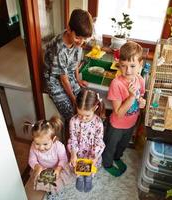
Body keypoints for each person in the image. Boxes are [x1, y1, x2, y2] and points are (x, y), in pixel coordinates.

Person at [102, 41, 146, 177]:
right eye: (123, 66)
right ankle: (107, 163)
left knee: (122, 145)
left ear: (141, 65)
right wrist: (132, 97)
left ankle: (117, 157)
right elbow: (119, 113)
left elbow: (141, 97)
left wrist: (141, 102)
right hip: (116, 125)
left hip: (131, 123)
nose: (128, 71)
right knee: (110, 146)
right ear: (119, 64)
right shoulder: (116, 84)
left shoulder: (140, 80)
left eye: (132, 66)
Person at [44, 9, 93, 121]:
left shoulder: (77, 41)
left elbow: (75, 62)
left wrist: (77, 79)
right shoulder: (59, 49)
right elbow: (63, 79)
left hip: (68, 75)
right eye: (78, 37)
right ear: (69, 29)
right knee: (72, 114)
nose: (81, 42)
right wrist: (72, 99)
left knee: (83, 104)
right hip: (54, 81)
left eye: (84, 38)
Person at [67, 89, 106, 192]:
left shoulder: (98, 122)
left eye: (87, 115)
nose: (83, 118)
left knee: (90, 169)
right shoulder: (73, 121)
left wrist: (95, 157)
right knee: (77, 168)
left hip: (92, 152)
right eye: (80, 114)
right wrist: (73, 154)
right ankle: (79, 177)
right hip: (78, 151)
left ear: (95, 108)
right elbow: (73, 139)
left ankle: (89, 178)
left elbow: (98, 141)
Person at [26, 117, 74, 200]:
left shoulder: (59, 146)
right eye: (37, 143)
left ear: (53, 139)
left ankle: (58, 191)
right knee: (45, 183)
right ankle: (49, 191)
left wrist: (58, 169)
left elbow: (63, 159)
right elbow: (31, 160)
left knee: (58, 182)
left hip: (57, 168)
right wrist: (36, 166)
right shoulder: (33, 146)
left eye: (45, 144)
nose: (41, 147)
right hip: (43, 169)